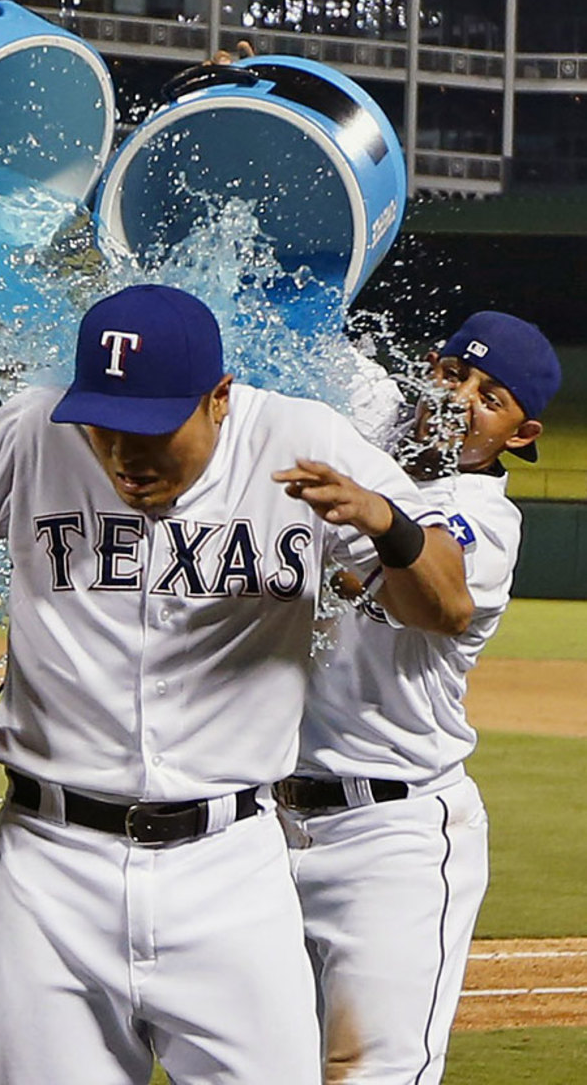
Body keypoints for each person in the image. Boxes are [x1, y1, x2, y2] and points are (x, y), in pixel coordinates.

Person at [0, 283, 473, 1085]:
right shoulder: (34, 430)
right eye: (104, 426)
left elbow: (448, 606)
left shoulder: (302, 441)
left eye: (150, 429)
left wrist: (387, 524)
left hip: (232, 873)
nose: (123, 452)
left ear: (219, 398)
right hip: (50, 870)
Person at [277, 312, 562, 1085]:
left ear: (520, 431)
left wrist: (375, 513)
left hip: (391, 836)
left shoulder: (485, 520)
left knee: (368, 1074)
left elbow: (438, 600)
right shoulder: (367, 425)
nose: (459, 398)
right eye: (451, 374)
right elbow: (292, 321)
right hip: (262, 827)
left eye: (489, 396)